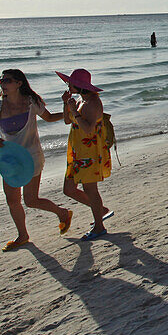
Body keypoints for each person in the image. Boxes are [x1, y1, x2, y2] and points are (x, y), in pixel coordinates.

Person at [0, 69, 72, 251]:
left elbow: (48, 118)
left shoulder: (31, 102)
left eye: (7, 80)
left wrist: (70, 114)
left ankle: (63, 213)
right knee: (12, 200)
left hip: (32, 156)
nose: (3, 83)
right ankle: (23, 235)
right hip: (10, 159)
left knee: (31, 200)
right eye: (1, 80)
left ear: (19, 83)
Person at [57, 69, 113, 241]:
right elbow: (68, 121)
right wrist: (67, 105)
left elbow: (88, 129)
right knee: (69, 189)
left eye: (70, 84)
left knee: (90, 190)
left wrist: (74, 111)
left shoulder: (93, 103)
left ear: (80, 86)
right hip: (78, 151)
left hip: (89, 152)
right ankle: (100, 211)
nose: (68, 86)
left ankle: (99, 226)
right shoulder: (83, 100)